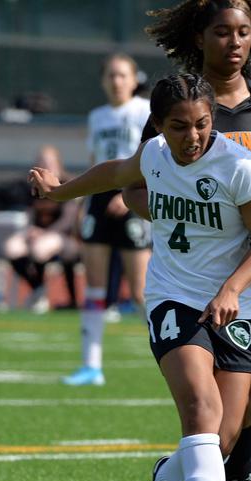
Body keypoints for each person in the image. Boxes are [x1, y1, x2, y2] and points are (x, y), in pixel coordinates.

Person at [30, 73, 251, 481]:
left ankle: (167, 480)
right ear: (159, 127)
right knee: (199, 407)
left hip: (236, 306)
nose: (192, 137)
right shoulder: (155, 155)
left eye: (202, 125)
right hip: (174, 299)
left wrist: (231, 288)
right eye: (178, 127)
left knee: (225, 436)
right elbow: (115, 174)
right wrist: (61, 193)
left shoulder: (241, 168)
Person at [143, 0, 251, 481]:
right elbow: (139, 185)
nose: (234, 43)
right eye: (222, 32)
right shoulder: (175, 105)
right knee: (207, 408)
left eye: (244, 32)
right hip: (186, 284)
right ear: (199, 37)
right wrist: (183, 208)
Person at [62, 53, 152, 386]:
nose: (116, 81)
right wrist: (84, 205)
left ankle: (171, 352)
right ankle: (91, 365)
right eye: (111, 75)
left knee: (142, 291)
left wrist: (128, 196)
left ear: (133, 79)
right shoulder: (97, 116)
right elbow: (93, 162)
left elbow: (150, 158)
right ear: (103, 81)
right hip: (100, 201)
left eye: (122, 75)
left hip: (132, 195)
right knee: (95, 286)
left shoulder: (144, 112)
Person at [3, 145, 79, 313]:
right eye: (42, 162)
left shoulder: (68, 183)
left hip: (62, 237)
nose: (46, 166)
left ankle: (51, 296)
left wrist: (45, 233)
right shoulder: (33, 185)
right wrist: (30, 230)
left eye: (50, 162)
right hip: (38, 233)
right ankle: (38, 289)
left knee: (40, 249)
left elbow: (68, 219)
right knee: (12, 247)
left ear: (58, 164)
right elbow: (30, 213)